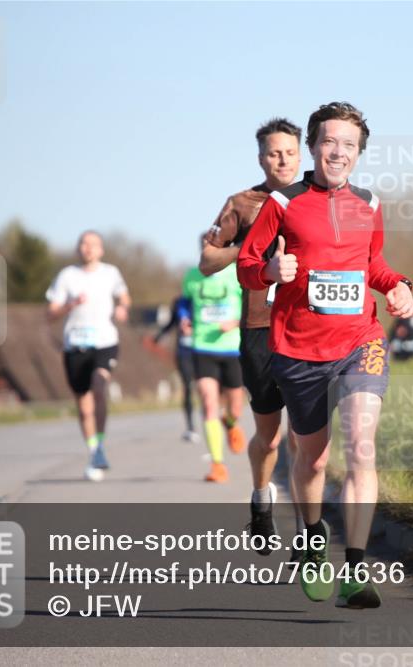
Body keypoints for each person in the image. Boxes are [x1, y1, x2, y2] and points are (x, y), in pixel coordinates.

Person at [238, 102, 413, 609]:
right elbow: (248, 264)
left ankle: (357, 569)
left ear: (359, 153)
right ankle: (314, 541)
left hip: (360, 341)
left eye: (350, 145)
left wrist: (399, 286)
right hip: (297, 348)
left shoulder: (370, 203)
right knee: (312, 460)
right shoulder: (284, 204)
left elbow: (373, 264)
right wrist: (271, 273)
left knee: (362, 447)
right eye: (331, 142)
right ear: (314, 146)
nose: (339, 152)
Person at [200, 118, 304, 556]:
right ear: (261, 157)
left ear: (303, 155)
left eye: (290, 152)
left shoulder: (317, 200)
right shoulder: (242, 204)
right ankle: (262, 499)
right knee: (271, 437)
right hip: (259, 330)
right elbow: (206, 260)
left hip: (308, 330)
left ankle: (306, 531)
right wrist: (246, 251)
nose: (282, 160)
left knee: (306, 437)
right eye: (274, 152)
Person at [46, 230, 130, 482]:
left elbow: (124, 296)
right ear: (78, 249)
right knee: (83, 407)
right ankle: (95, 450)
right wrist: (70, 305)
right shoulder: (67, 276)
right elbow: (50, 313)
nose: (88, 248)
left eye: (93, 244)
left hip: (105, 342)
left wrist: (123, 307)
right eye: (83, 244)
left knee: (99, 385)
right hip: (75, 345)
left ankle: (101, 445)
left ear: (101, 250)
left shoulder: (111, 273)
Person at [183, 253, 246, 483]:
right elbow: (185, 303)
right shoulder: (192, 275)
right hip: (202, 347)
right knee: (209, 403)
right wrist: (184, 318)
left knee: (236, 408)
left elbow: (251, 306)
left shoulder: (236, 273)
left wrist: (236, 322)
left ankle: (229, 423)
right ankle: (218, 465)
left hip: (232, 348)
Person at [152, 295, 201, 444]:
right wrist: (158, 336)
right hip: (184, 353)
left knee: (207, 387)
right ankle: (190, 426)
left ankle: (213, 418)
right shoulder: (179, 302)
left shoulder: (205, 299)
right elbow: (172, 322)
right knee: (187, 387)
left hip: (203, 351)